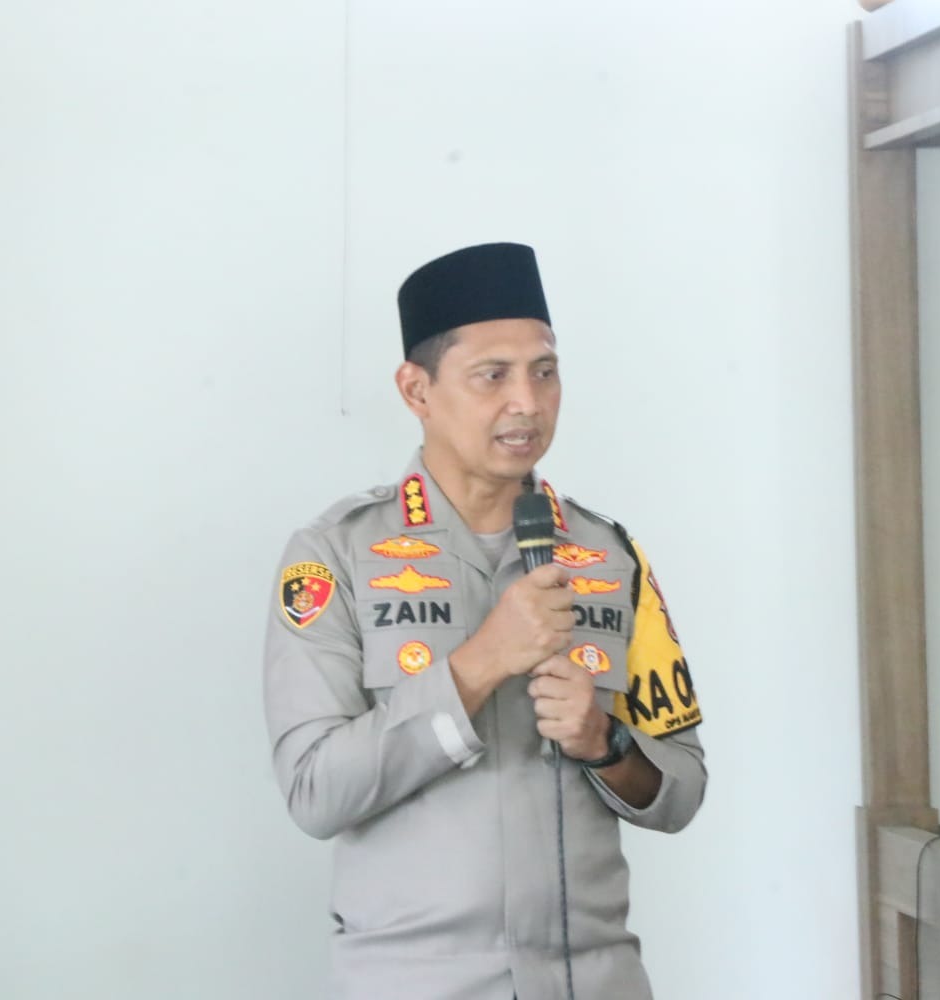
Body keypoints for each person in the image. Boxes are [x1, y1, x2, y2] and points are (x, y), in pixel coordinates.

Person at [263, 242, 706, 1000]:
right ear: (417, 389)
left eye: (545, 371)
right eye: (492, 375)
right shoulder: (336, 554)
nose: (527, 402)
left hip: (595, 980)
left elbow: (682, 790)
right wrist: (480, 664)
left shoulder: (608, 553)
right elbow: (314, 790)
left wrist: (604, 742)